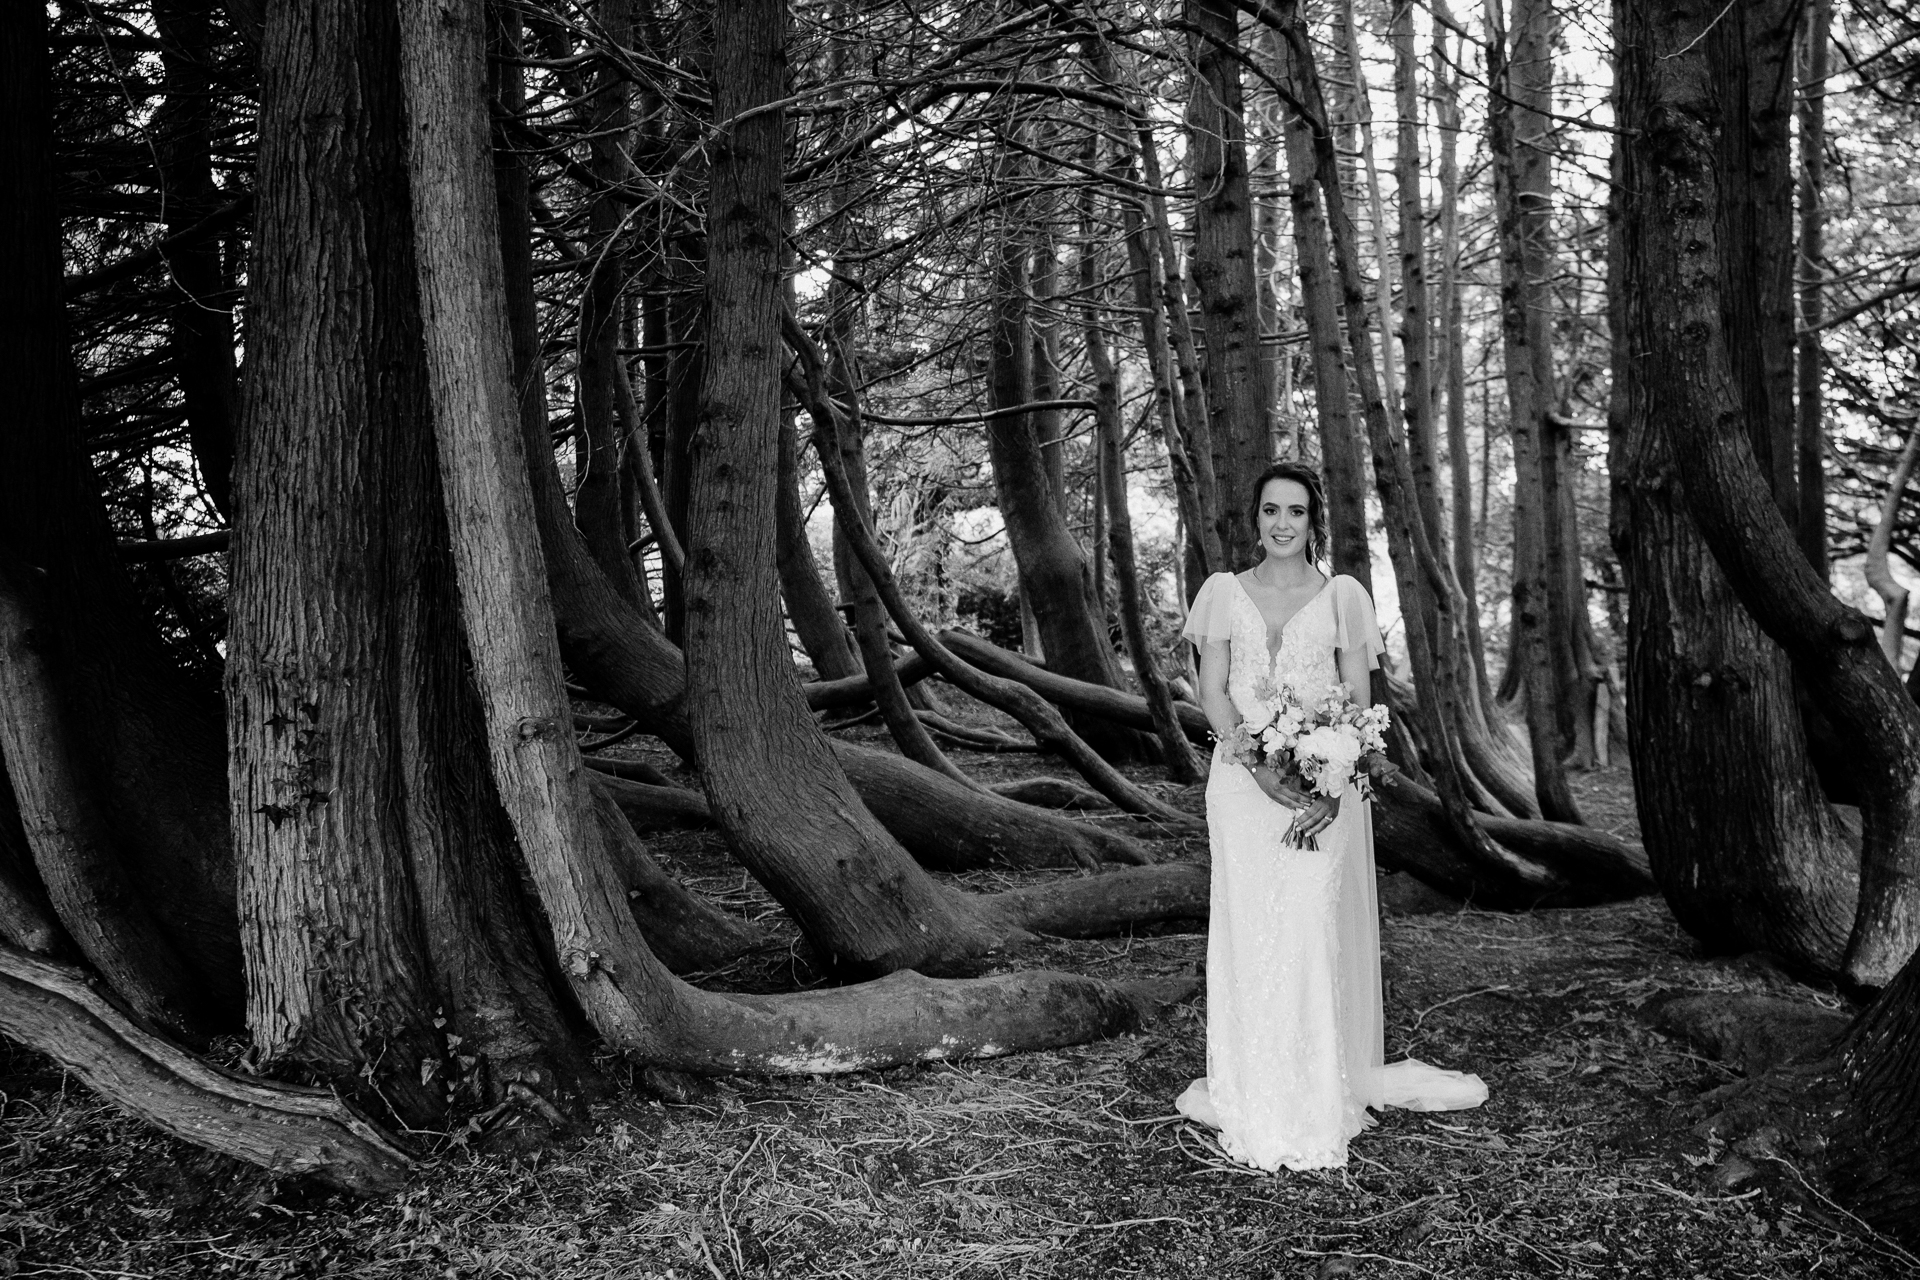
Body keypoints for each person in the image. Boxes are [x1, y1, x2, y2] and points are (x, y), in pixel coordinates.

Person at [1175, 461, 1486, 1172]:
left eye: (1294, 511)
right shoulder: (1224, 593)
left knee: (1310, 927)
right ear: (1254, 520)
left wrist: (1333, 784)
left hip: (1324, 791)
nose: (1281, 523)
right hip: (1238, 784)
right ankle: (1252, 1086)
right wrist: (1254, 764)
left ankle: (1313, 1098)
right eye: (1269, 510)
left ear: (1315, 520)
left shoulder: (1342, 596)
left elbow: (1355, 701)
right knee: (1250, 931)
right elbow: (1214, 690)